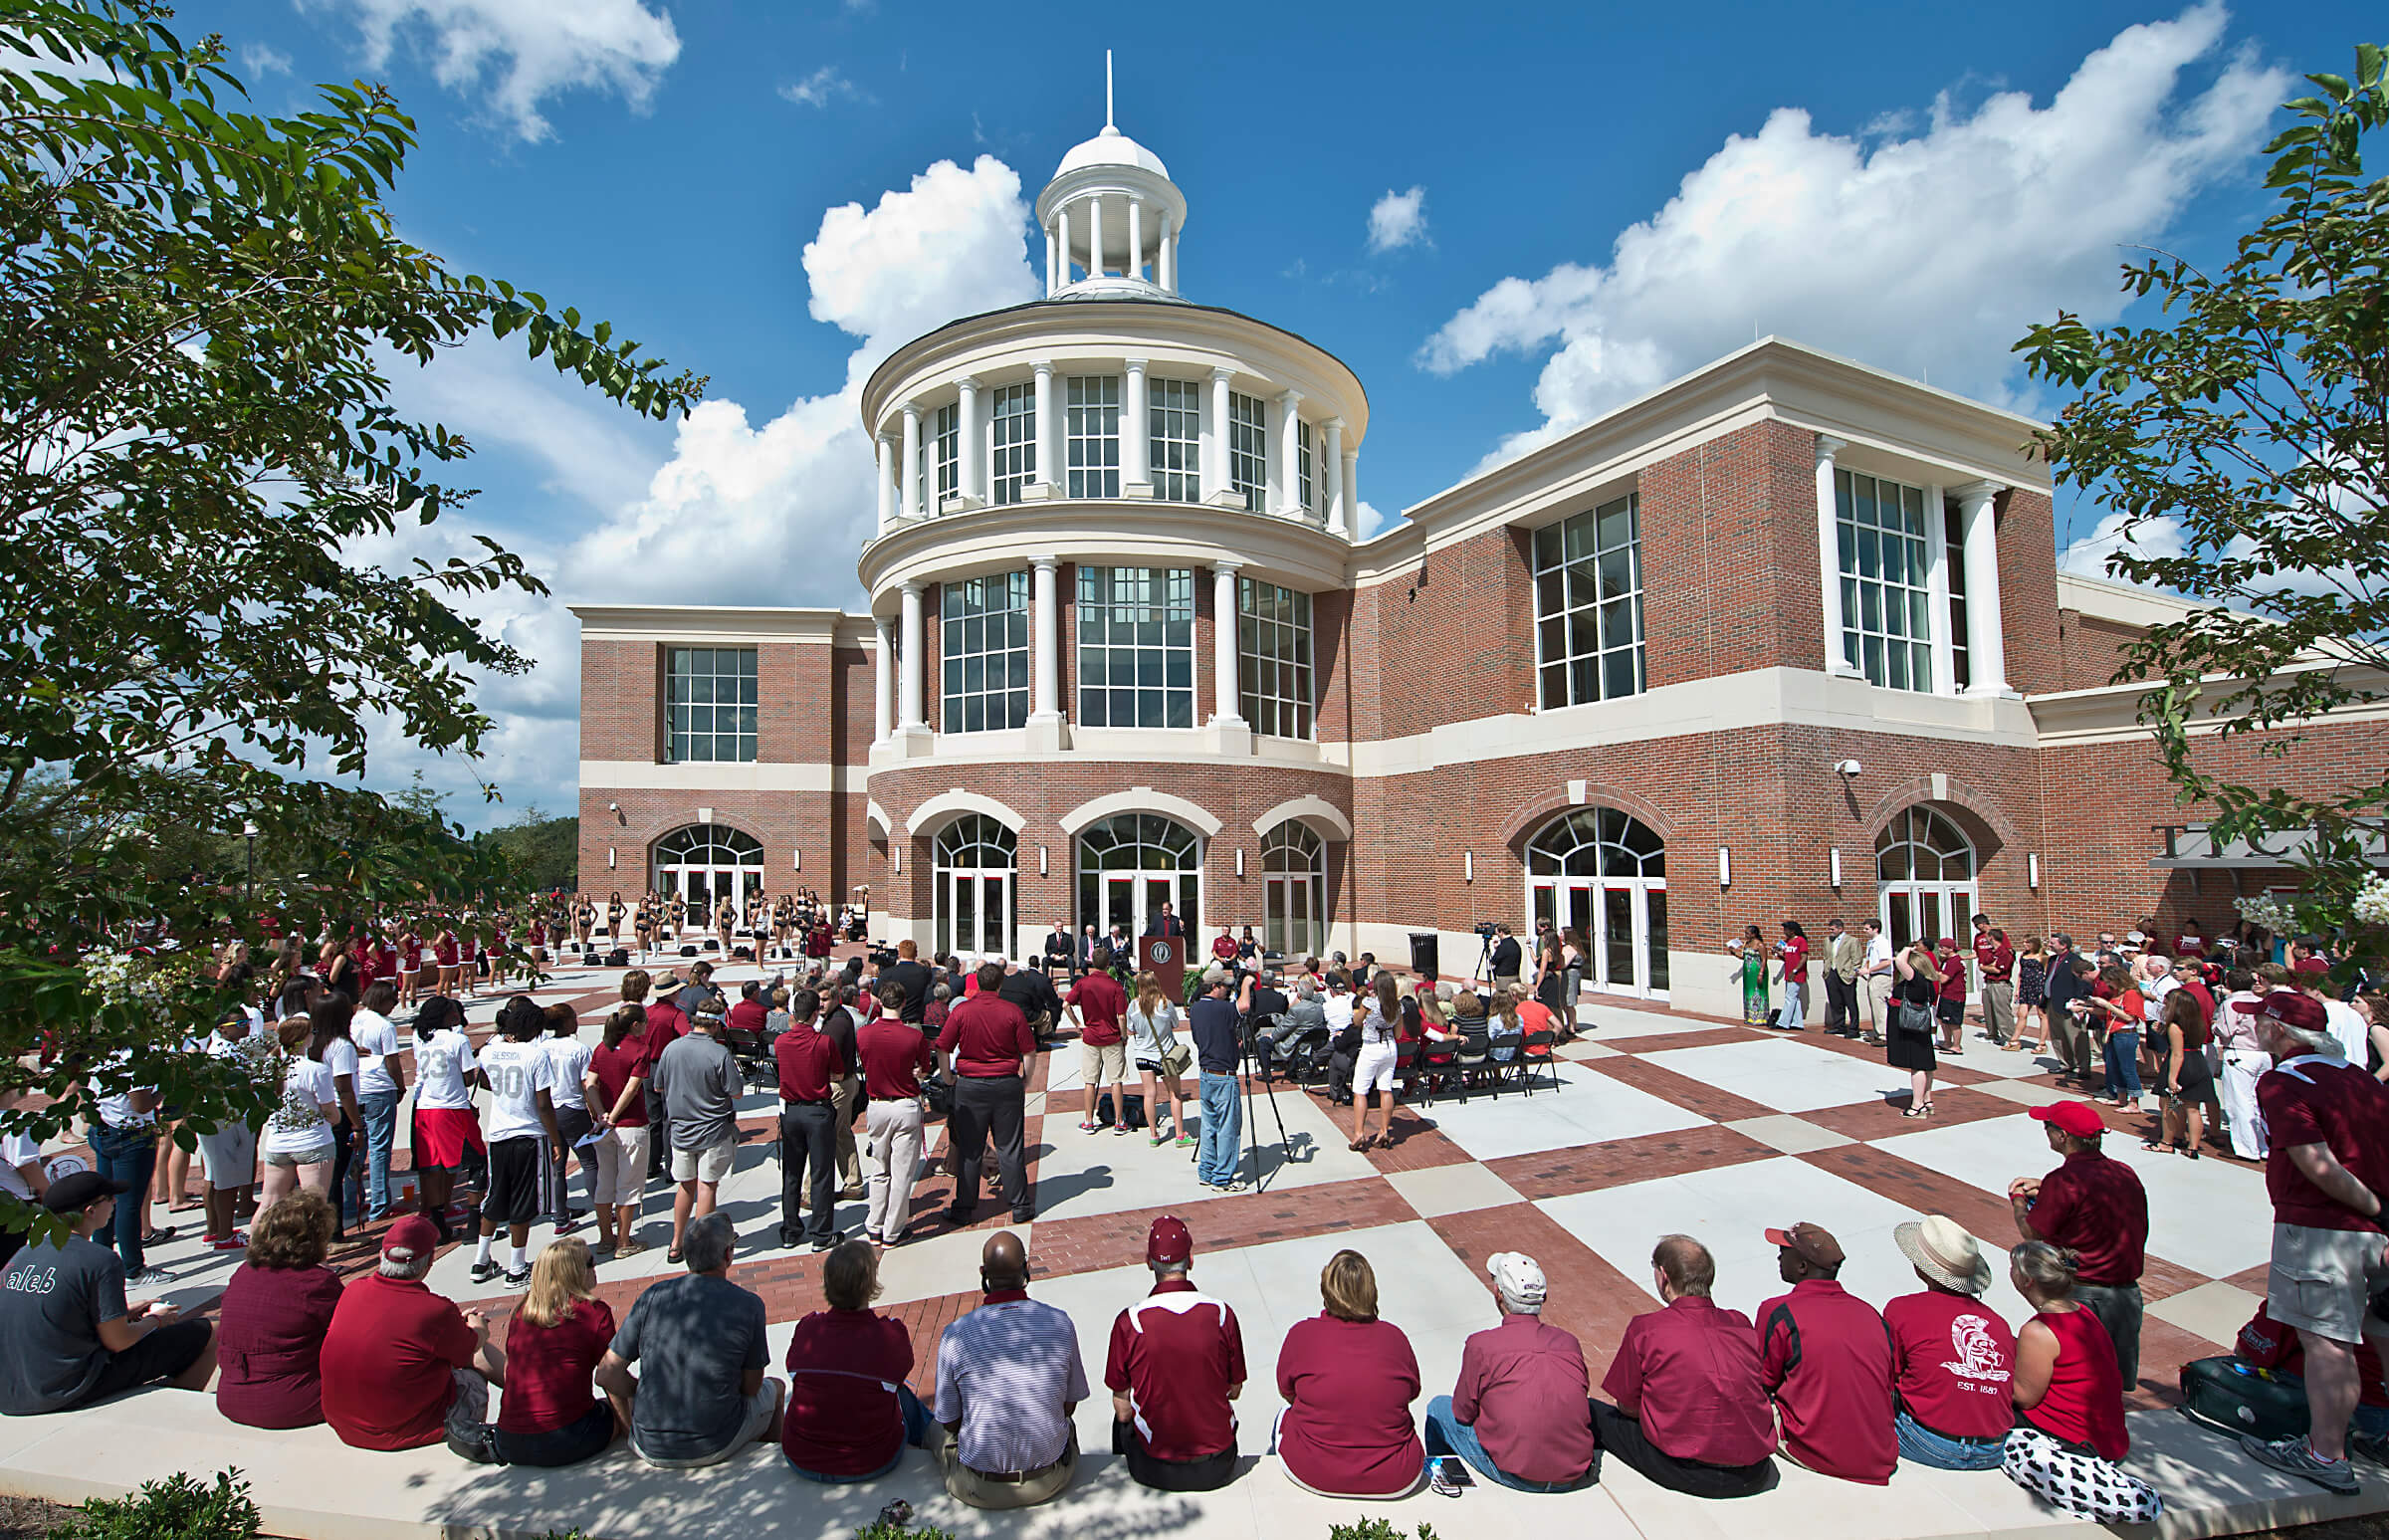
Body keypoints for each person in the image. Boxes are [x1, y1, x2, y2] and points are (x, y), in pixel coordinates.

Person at [2235, 990, 2389, 1493]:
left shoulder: (2284, 1081)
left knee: (2326, 1341)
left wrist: (2371, 1207)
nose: (2255, 1027)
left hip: (2322, 1228)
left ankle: (2325, 1454)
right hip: (2377, 1232)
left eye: (2260, 1021)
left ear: (2278, 1031)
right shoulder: (2362, 1078)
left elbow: (2315, 1161)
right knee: (2380, 1331)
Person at [0, 1171, 217, 1414]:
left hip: (11, 1391)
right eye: (108, 1199)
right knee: (212, 1330)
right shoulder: (101, 1260)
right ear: (89, 1211)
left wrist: (119, 1314)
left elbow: (51, 1311)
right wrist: (156, 1321)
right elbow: (118, 1341)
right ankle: (173, 1409)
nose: (114, 1203)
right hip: (65, 1389)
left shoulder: (26, 1252)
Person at [594, 1212, 783, 1467]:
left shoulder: (653, 1296)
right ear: (728, 1254)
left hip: (648, 1444)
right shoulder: (748, 1305)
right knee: (777, 1388)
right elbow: (751, 1388)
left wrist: (640, 1392)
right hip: (715, 1442)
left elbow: (607, 1374)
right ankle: (769, 1468)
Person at [321, 1214, 507, 1459]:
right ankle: (522, 1399)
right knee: (473, 1371)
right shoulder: (434, 1309)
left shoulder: (353, 1289)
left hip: (345, 1425)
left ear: (381, 1256)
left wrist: (453, 1327)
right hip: (401, 1429)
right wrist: (478, 1328)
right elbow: (471, 1350)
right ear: (430, 1261)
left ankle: (530, 1389)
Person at [2003, 1241, 2161, 1523]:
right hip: (2109, 1437)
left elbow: (2024, 1396)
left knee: (1984, 1401)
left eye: (2013, 1268)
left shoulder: (2039, 1330)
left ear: (2027, 1281)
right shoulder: (2083, 1312)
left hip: (2073, 1440)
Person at [929, 1231, 1087, 1508]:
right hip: (1049, 1480)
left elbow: (950, 1422)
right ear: (1026, 1269)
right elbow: (1068, 1407)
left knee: (933, 1427)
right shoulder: (1060, 1323)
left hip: (979, 1488)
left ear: (983, 1273)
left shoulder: (955, 1335)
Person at [1422, 1250, 1595, 1495]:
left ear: (1498, 1294)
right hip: (1571, 1474)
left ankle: (1449, 1486)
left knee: (1437, 1408)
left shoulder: (1481, 1345)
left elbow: (1462, 1413)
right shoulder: (1569, 1343)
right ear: (1543, 1297)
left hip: (1515, 1473)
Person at [2007, 1100, 2148, 1392]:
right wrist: (2046, 1187)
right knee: (2113, 1386)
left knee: (2074, 1384)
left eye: (2047, 1127)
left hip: (2083, 1296)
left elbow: (2032, 1232)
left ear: (2063, 1137)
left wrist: (2018, 1200)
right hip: (2127, 1296)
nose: (2045, 1132)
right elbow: (2094, 1200)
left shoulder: (2066, 1180)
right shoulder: (2123, 1172)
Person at [1107, 1216, 1245, 1492]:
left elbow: (1122, 1410)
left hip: (1153, 1468)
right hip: (1217, 1465)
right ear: (1190, 1260)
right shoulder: (1221, 1314)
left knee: (1122, 1417)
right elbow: (1235, 1389)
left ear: (1149, 1262)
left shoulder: (1129, 1321)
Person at [1273, 1249, 1422, 1498]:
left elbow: (1287, 1391)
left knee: (1282, 1417)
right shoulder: (1395, 1338)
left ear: (1326, 1290)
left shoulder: (1301, 1334)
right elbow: (1411, 1393)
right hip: (1395, 1475)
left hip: (1312, 1470)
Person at [1755, 1221, 1895, 1483]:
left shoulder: (1778, 1311)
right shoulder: (1871, 1314)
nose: (1778, 1257)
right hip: (1879, 1455)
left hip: (1817, 1451)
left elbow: (1761, 1384)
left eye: (1784, 1252)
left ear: (1802, 1267)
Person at [783, 1239, 932, 1481]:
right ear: (869, 1284)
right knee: (901, 1393)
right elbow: (901, 1370)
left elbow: (793, 1368)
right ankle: (936, 1437)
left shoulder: (807, 1329)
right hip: (870, 1460)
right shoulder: (889, 1336)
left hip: (801, 1457)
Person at [1885, 1215, 2016, 1469]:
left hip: (1929, 1442)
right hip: (1991, 1449)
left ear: (1920, 1267)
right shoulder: (1999, 1324)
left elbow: (1889, 1376)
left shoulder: (1902, 1309)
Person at [214, 1189, 341, 1429]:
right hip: (291, 1403)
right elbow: (350, 1340)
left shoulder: (243, 1273)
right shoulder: (316, 1283)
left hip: (230, 1397)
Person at [495, 1238, 624, 1467]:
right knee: (633, 1400)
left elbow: (509, 1371)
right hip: (566, 1439)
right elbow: (610, 1377)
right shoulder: (594, 1312)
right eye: (590, 1262)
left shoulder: (523, 1311)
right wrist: (629, 1429)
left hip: (509, 1441)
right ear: (574, 1271)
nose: (596, 1267)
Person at [470, 998, 562, 1288]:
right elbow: (544, 1104)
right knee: (523, 1201)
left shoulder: (490, 1050)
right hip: (528, 1134)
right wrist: (556, 1139)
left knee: (496, 1196)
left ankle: (481, 1260)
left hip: (498, 1133)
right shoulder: (535, 1055)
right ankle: (516, 1266)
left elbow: (484, 1081)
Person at [938, 962, 1038, 1224]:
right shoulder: (1012, 1012)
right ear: (1000, 983)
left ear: (977, 984)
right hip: (1006, 1083)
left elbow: (943, 1046)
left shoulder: (962, 1012)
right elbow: (1029, 1051)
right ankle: (1020, 1205)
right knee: (1010, 1147)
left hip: (970, 1085)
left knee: (971, 1149)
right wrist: (1025, 1080)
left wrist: (948, 1078)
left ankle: (964, 1207)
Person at [650, 996, 742, 1265]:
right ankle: (701, 1247)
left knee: (685, 1186)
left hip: (680, 1129)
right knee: (707, 1186)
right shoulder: (718, 1053)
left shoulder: (671, 1049)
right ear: (715, 1025)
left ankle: (676, 1242)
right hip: (712, 1128)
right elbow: (735, 1092)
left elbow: (658, 1086)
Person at [857, 978, 934, 1248]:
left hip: (877, 1104)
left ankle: (874, 1225)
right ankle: (892, 1230)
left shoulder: (863, 1034)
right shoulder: (914, 1036)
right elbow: (924, 1068)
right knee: (901, 1173)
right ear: (903, 1003)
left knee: (879, 1168)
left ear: (879, 1002)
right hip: (905, 1104)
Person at [773, 987, 844, 1253]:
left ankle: (790, 1229)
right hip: (817, 1110)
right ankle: (821, 1232)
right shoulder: (823, 1042)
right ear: (816, 1014)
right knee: (821, 1173)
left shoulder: (781, 1042)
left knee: (791, 1172)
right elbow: (837, 1074)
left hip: (791, 1111)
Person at [407, 994, 482, 1242]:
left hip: (425, 1107)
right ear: (444, 1015)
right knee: (477, 1163)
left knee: (433, 1166)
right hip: (452, 1107)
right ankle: (474, 1223)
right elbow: (468, 1078)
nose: (457, 1014)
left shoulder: (421, 1037)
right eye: (452, 1011)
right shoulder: (457, 1039)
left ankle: (439, 1225)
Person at [584, 1004, 649, 1258]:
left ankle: (605, 1238)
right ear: (635, 1025)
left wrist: (601, 1114)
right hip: (631, 1124)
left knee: (605, 1182)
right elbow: (632, 1088)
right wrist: (615, 1114)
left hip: (604, 1128)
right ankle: (623, 1242)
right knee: (629, 1184)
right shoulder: (639, 1049)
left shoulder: (603, 1047)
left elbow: (590, 1084)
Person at [260, 1014, 339, 1211]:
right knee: (314, 1206)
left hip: (278, 1142)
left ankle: (257, 1242)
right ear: (305, 1038)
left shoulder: (269, 1067)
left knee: (269, 1203)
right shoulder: (315, 1070)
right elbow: (329, 1111)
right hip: (313, 1141)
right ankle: (312, 1243)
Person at [351, 981, 407, 1224]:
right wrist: (400, 1085)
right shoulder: (385, 1025)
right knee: (379, 1148)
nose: (394, 1005)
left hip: (356, 1086)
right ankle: (380, 1203)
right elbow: (392, 1061)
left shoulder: (355, 1019)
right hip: (379, 1085)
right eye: (392, 1000)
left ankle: (351, 1202)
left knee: (356, 1147)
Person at [1125, 967, 1193, 1148]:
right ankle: (1179, 1135)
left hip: (1142, 1055)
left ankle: (1153, 1134)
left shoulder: (1133, 1005)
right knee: (1175, 1094)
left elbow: (1131, 1029)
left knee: (1149, 1094)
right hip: (1165, 1055)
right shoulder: (1165, 1003)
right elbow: (1175, 1024)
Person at [1192, 968, 1245, 1191]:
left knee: (1209, 1124)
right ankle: (1222, 1177)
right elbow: (1244, 1007)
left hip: (1206, 1073)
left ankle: (1206, 1170)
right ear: (1215, 987)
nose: (1228, 990)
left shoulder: (1195, 1009)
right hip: (1224, 1075)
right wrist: (1249, 983)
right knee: (1228, 1128)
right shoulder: (1224, 1009)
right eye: (1225, 986)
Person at [2149, 986, 2217, 1158]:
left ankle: (2167, 1142)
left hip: (2181, 1067)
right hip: (2197, 1063)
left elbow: (2177, 1053)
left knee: (2169, 1106)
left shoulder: (2175, 1026)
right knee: (2193, 1108)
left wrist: (2172, 1079)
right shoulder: (2198, 1023)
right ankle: (2192, 1147)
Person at [2213, 970, 2273, 1159]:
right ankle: (2262, 1146)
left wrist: (2214, 1025)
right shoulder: (2261, 1002)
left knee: (2239, 1102)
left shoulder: (2231, 1004)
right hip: (2263, 1053)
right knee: (2257, 1102)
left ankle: (2247, 1149)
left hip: (2241, 1053)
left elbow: (2224, 1030)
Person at [1068, 955, 1131, 1134]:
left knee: (1090, 1081)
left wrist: (1078, 1025)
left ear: (1093, 963)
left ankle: (1088, 1121)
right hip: (1112, 1038)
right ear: (1108, 964)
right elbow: (1121, 1016)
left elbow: (1066, 1004)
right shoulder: (1116, 986)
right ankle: (1119, 1122)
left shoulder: (1082, 983)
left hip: (1091, 1037)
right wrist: (1124, 1036)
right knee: (1116, 1080)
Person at [1346, 974, 1401, 1154]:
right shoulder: (1397, 1006)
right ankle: (1384, 1130)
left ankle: (1359, 1133)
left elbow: (1356, 1021)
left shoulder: (1369, 1003)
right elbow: (1398, 1034)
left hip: (1371, 1047)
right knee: (1385, 1088)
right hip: (1390, 1047)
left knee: (1360, 1091)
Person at [1888, 940, 1940, 1117]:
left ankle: (1917, 1104)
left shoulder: (1916, 980)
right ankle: (1927, 1099)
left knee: (1917, 1065)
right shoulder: (1927, 983)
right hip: (1920, 1026)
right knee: (1926, 1063)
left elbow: (1899, 961)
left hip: (1910, 1027)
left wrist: (1907, 949)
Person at [2010, 936, 2052, 1056]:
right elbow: (2020, 974)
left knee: (2042, 1015)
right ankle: (2015, 1040)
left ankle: (2042, 1043)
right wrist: (2017, 989)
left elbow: (2047, 973)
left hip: (2038, 986)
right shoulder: (2023, 955)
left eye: (2028, 942)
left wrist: (2044, 992)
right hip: (2025, 987)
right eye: (2024, 942)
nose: (2025, 944)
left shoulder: (2043, 957)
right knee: (2021, 1014)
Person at [1822, 919, 1861, 1038]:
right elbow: (1826, 956)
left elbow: (1857, 959)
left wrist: (1852, 974)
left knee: (1850, 1002)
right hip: (1831, 973)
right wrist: (1825, 971)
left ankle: (1854, 1029)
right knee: (1835, 1002)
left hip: (1845, 974)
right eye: (1830, 929)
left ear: (1840, 929)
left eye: (1832, 929)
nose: (1831, 932)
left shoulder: (1852, 941)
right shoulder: (1827, 941)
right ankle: (1839, 1026)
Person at [1771, 920, 1810, 1031]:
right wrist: (1778, 954)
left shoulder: (1801, 941)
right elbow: (1787, 958)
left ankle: (1783, 1022)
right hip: (1789, 972)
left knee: (1789, 997)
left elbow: (1804, 958)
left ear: (1792, 930)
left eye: (1786, 930)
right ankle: (1797, 1023)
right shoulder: (1788, 942)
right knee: (1794, 998)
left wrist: (1795, 970)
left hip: (1796, 973)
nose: (1784, 932)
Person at [1489, 924, 1522, 990]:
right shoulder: (1515, 944)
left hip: (1504, 980)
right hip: (1515, 977)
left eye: (1497, 933)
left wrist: (1496, 950)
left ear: (1501, 932)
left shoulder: (1503, 946)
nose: (1497, 935)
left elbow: (1494, 961)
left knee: (1504, 999)